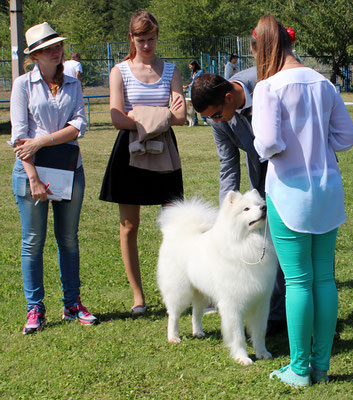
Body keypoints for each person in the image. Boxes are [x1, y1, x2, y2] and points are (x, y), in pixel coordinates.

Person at [252, 15, 353, 387]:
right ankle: (321, 367)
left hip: (289, 193)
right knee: (325, 278)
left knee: (298, 282)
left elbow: (266, 144)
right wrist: (318, 147)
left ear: (262, 46)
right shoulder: (323, 82)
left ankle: (299, 369)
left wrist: (289, 148)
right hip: (328, 190)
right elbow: (347, 137)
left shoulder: (268, 88)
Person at [10, 22, 97, 334]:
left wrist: (42, 141)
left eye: (57, 45)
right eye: (47, 48)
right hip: (31, 171)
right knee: (32, 242)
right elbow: (20, 136)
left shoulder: (73, 82)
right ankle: (35, 309)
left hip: (68, 169)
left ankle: (72, 304)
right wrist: (32, 176)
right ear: (34, 56)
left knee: (69, 240)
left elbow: (79, 126)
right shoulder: (23, 85)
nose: (55, 51)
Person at [99, 11, 186, 316]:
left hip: (165, 152)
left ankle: (182, 291)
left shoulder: (172, 69)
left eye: (151, 39)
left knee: (178, 226)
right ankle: (138, 297)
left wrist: (138, 115)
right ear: (131, 38)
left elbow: (181, 117)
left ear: (157, 36)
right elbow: (116, 118)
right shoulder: (118, 71)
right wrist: (159, 114)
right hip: (129, 154)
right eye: (141, 39)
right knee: (128, 226)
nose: (147, 45)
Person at [191, 68, 287, 334]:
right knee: (269, 240)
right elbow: (228, 166)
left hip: (294, 167)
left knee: (299, 240)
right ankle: (277, 316)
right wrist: (227, 213)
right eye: (210, 118)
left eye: (217, 114)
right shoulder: (218, 120)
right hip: (262, 175)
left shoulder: (265, 81)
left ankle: (314, 312)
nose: (216, 121)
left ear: (229, 97)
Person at [187, 60, 208, 126]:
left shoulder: (200, 72)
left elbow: (201, 80)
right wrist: (189, 84)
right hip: (191, 90)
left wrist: (194, 84)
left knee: (200, 105)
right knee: (193, 106)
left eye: (190, 65)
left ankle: (204, 120)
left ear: (194, 65)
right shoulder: (192, 72)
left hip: (198, 90)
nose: (190, 67)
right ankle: (195, 121)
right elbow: (192, 80)